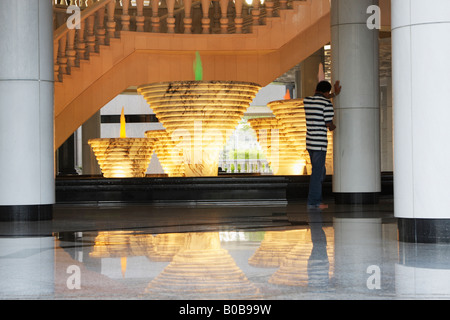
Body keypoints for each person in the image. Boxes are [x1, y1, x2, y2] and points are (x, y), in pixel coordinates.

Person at [303, 80, 341, 209]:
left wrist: (334, 94)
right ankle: (314, 202)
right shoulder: (327, 104)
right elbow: (328, 124)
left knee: (320, 171)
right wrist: (333, 126)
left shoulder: (307, 101)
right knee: (317, 173)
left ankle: (314, 199)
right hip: (320, 144)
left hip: (310, 142)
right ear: (327, 92)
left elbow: (320, 98)